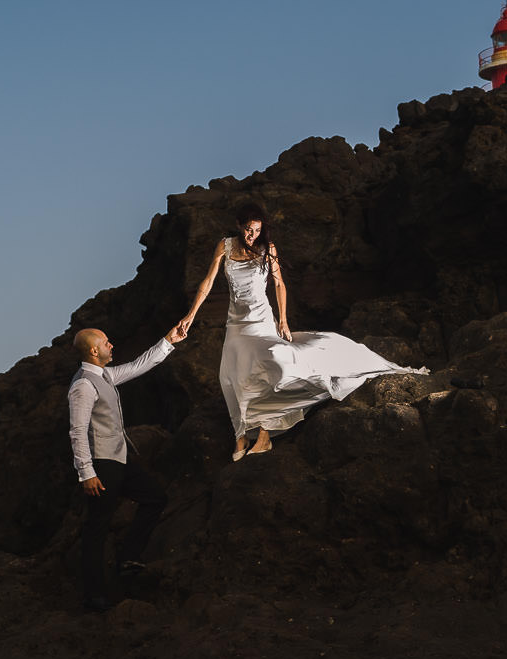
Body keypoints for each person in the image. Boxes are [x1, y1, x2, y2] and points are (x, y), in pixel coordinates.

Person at [173, 201, 425, 460]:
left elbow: (279, 284)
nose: (252, 235)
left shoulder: (266, 248)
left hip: (261, 322)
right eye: (249, 230)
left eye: (257, 231)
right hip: (236, 324)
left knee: (276, 365)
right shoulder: (225, 246)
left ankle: (264, 432)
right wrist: (190, 316)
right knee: (232, 375)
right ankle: (240, 437)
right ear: (239, 226)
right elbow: (206, 283)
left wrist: (283, 320)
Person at [68, 323, 183, 612]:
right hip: (101, 466)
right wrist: (87, 473)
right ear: (94, 350)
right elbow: (77, 431)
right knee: (97, 528)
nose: (112, 345)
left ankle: (127, 556)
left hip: (120, 460)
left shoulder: (105, 375)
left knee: (155, 497)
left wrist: (168, 340)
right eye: (106, 342)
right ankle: (94, 596)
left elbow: (138, 366)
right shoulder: (83, 384)